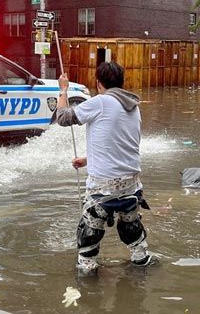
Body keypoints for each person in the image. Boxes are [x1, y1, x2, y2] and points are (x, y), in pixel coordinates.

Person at [55, 62, 151, 274]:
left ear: (98, 83)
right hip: (132, 185)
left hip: (103, 187)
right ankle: (141, 266)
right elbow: (121, 143)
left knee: (88, 237)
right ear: (121, 82)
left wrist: (63, 89)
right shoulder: (133, 106)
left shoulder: (100, 102)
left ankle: (88, 286)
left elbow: (62, 118)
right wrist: (88, 159)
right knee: (133, 232)